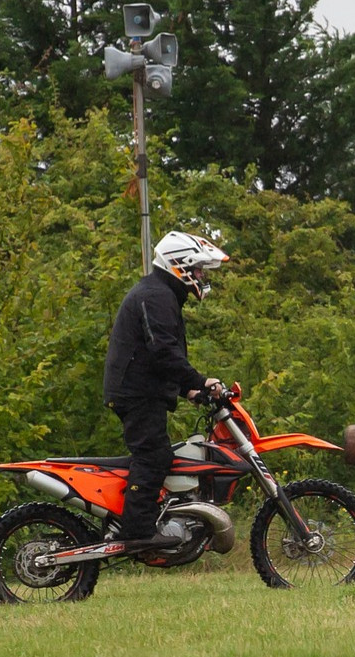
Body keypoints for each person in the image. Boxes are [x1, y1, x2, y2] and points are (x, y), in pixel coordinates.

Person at [102, 231, 229, 552]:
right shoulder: (157, 296)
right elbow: (164, 352)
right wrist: (201, 382)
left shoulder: (161, 293)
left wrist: (190, 390)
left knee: (156, 454)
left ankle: (146, 520)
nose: (201, 276)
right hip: (136, 393)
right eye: (199, 270)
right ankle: (138, 530)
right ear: (181, 266)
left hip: (140, 389)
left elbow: (160, 357)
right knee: (154, 455)